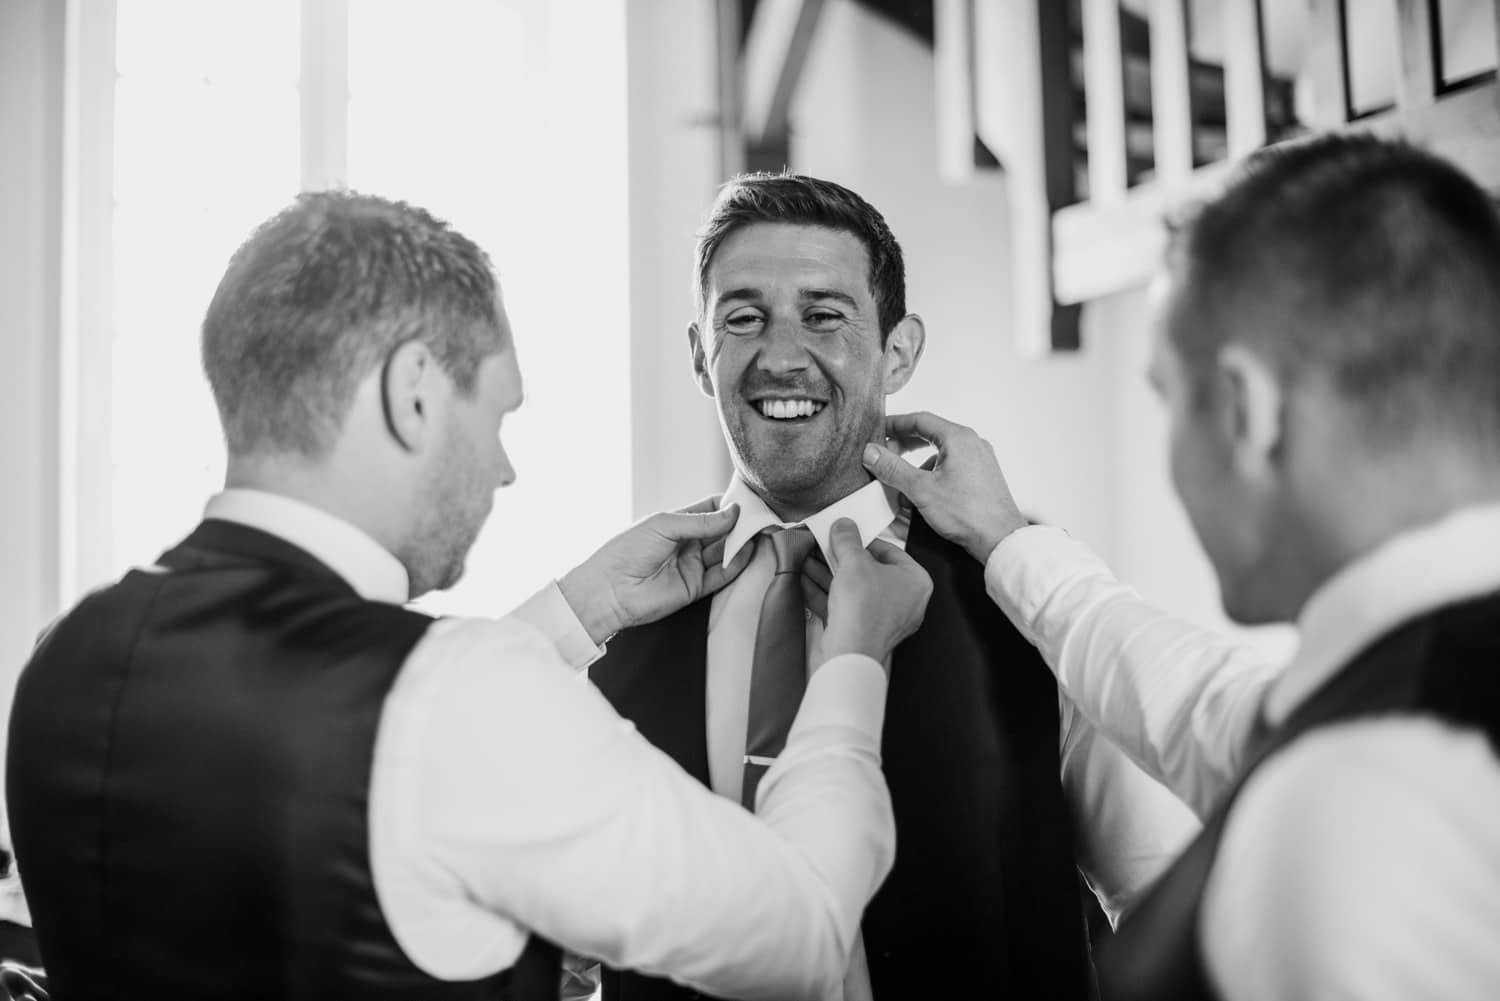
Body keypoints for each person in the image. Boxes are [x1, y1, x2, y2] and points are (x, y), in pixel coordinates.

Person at [4, 191, 937, 1001]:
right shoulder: (462, 698)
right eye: (497, 413)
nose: (502, 468)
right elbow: (807, 931)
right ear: (414, 393)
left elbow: (368, 751)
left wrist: (581, 610)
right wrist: (855, 656)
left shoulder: (65, 656)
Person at [862, 133, 1500, 1001]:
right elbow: (1214, 709)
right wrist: (1009, 541)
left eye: (1168, 399)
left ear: (1245, 410)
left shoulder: (1353, 800)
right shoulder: (1416, 694)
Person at [586, 173, 1198, 1000]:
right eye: (742, 317)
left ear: (899, 351)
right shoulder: (618, 616)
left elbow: (1163, 901)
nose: (781, 354)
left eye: (824, 314)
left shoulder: (1024, 596)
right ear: (701, 355)